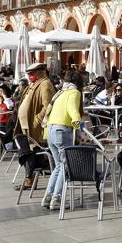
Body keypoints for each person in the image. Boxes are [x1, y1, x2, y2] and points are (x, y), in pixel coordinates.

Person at [41, 71, 84, 211]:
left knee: (58, 166)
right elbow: (72, 110)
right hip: (62, 131)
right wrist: (79, 126)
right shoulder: (74, 92)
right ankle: (56, 199)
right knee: (65, 166)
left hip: (50, 131)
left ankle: (48, 196)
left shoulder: (59, 93)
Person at [14, 62, 56, 187]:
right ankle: (30, 177)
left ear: (41, 72)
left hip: (34, 127)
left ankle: (29, 179)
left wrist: (37, 120)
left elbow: (48, 106)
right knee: (27, 151)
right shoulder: (32, 85)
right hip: (25, 126)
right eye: (28, 74)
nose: (29, 76)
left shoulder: (45, 84)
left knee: (30, 151)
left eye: (32, 74)